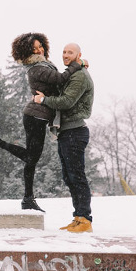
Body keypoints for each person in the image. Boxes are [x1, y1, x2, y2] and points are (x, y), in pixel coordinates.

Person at [0, 32, 85, 213]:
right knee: (31, 157)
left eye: (41, 46)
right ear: (28, 52)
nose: (40, 49)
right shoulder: (36, 68)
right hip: (35, 117)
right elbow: (60, 79)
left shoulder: (43, 64)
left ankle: (27, 199)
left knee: (30, 160)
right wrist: (76, 65)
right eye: (35, 48)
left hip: (36, 116)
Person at [34, 42, 94, 233]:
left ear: (78, 55)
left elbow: (67, 101)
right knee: (69, 177)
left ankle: (85, 219)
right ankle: (78, 217)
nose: (66, 55)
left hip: (75, 132)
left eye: (70, 52)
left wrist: (43, 100)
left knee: (77, 176)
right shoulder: (73, 73)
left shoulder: (80, 76)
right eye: (64, 52)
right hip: (67, 132)